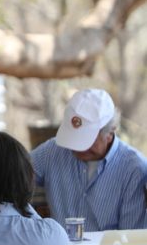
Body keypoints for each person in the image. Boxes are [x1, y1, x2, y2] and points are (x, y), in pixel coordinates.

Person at [31, 88, 147, 231]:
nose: (78, 147)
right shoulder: (52, 151)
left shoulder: (134, 169)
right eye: (73, 138)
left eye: (86, 140)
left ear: (111, 132)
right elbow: (12, 177)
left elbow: (130, 240)